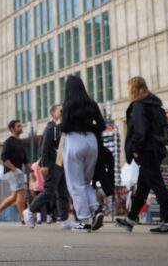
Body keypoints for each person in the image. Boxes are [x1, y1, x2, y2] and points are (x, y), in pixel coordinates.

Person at [115, 76, 168, 235]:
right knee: (143, 188)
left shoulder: (139, 105)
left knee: (158, 186)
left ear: (133, 89)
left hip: (145, 150)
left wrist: (136, 148)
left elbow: (140, 130)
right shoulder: (155, 104)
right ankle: (130, 219)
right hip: (156, 149)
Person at [59, 76, 106, 233]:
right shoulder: (91, 104)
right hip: (91, 142)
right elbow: (102, 125)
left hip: (74, 141)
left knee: (75, 183)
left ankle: (84, 220)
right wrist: (89, 128)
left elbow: (64, 127)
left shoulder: (68, 105)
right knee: (86, 181)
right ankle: (95, 208)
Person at [24, 105, 71, 229]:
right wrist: (44, 165)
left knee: (63, 193)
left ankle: (64, 219)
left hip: (61, 163)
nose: (63, 112)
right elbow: (44, 147)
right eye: (60, 110)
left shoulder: (61, 128)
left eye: (63, 110)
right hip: (52, 164)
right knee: (49, 193)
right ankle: (29, 211)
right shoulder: (51, 128)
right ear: (53, 113)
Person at [0, 120, 29, 225]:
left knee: (14, 197)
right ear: (12, 129)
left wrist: (33, 170)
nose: (21, 127)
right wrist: (14, 169)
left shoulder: (21, 142)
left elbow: (25, 160)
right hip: (12, 171)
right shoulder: (9, 141)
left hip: (18, 171)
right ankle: (23, 218)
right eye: (18, 126)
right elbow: (4, 157)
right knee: (21, 193)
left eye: (21, 125)